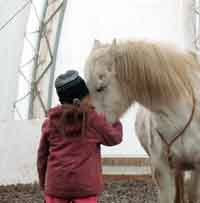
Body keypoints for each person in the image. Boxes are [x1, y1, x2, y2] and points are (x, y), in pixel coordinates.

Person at [37, 70, 123, 203]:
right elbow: (114, 138)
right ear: (79, 99)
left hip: (56, 188)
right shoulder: (93, 119)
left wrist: (44, 184)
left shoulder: (51, 122)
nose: (91, 99)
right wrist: (114, 118)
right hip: (85, 189)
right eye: (88, 96)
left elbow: (42, 156)